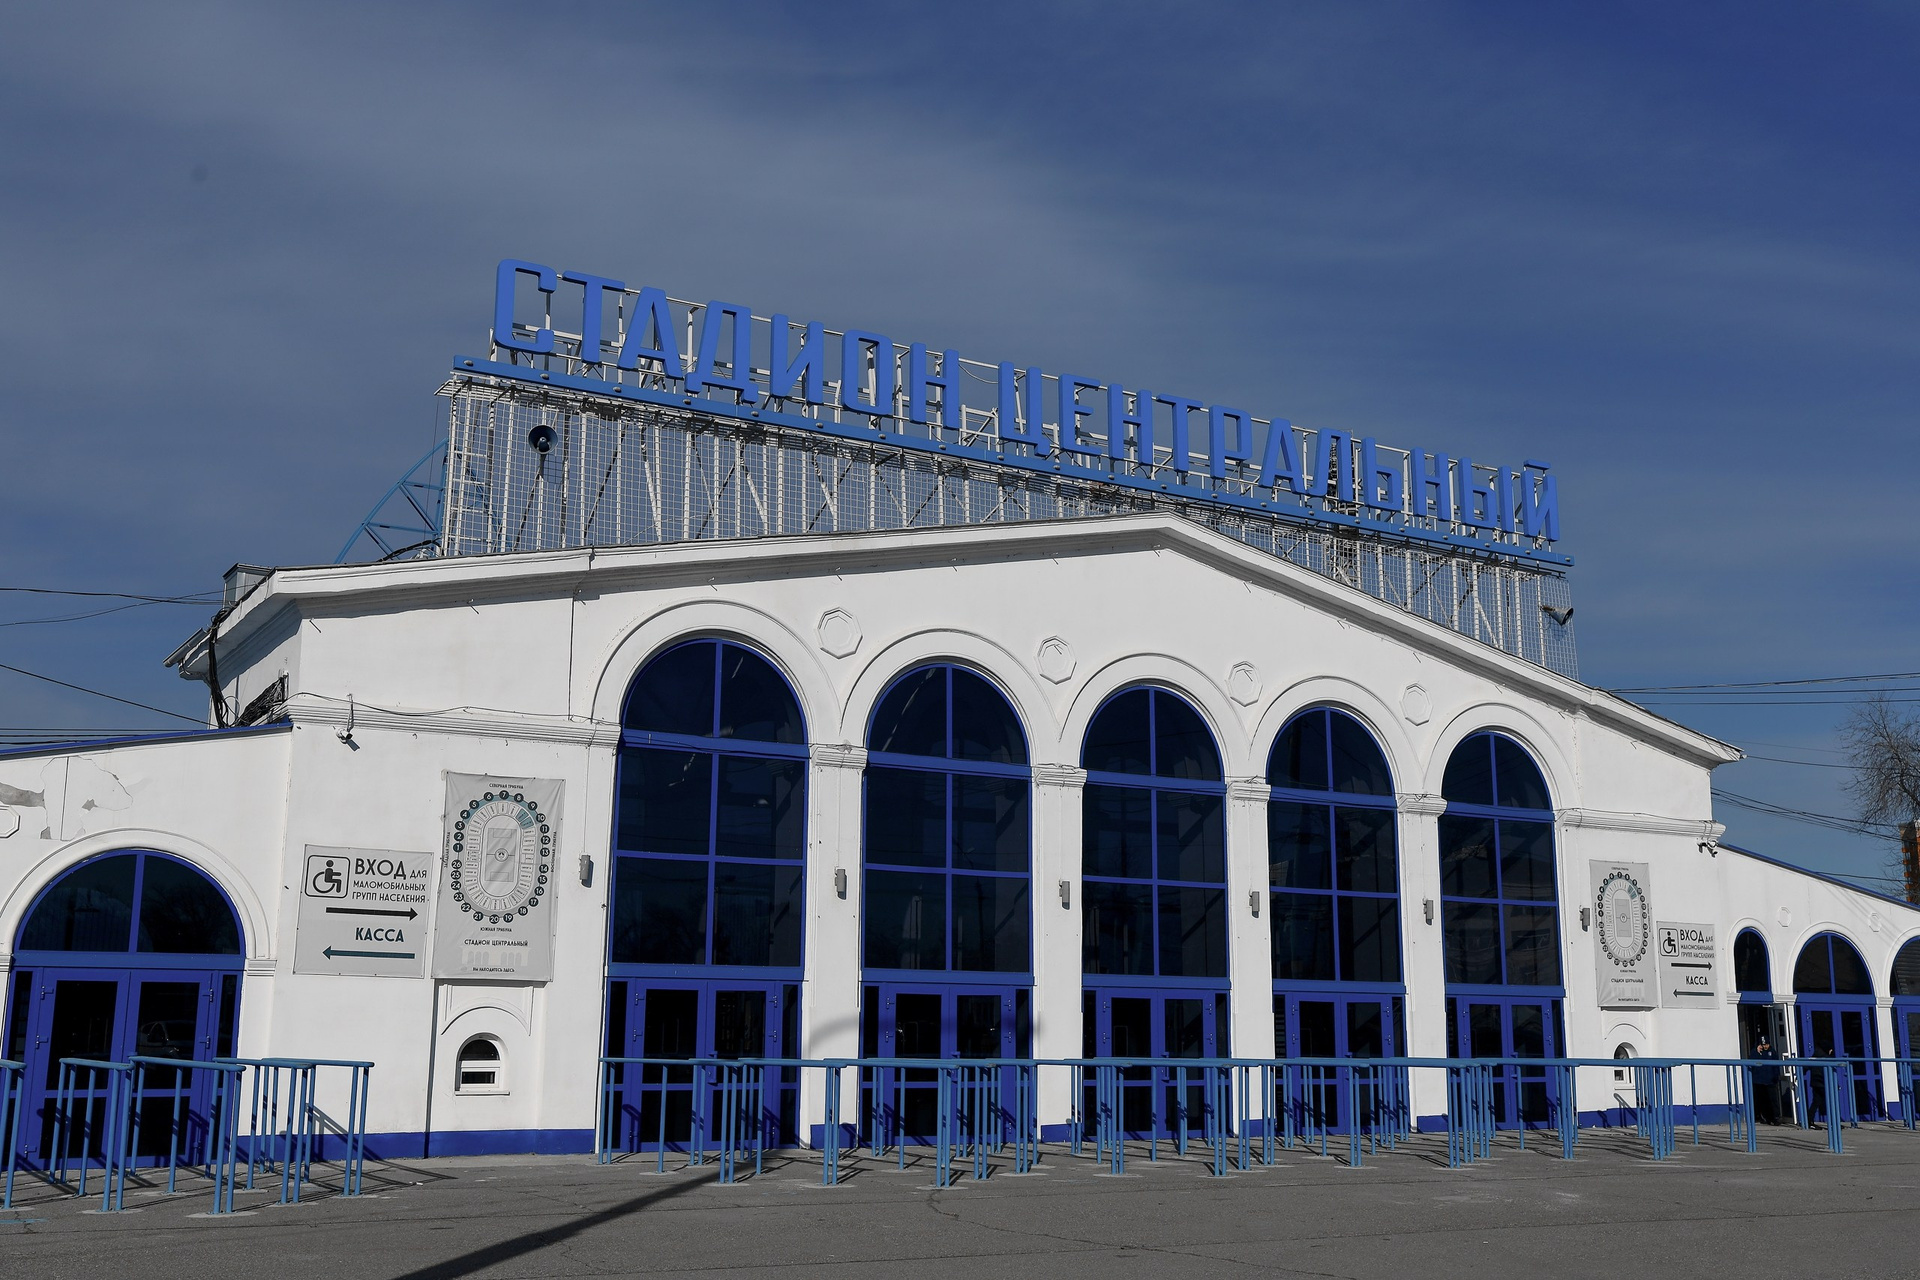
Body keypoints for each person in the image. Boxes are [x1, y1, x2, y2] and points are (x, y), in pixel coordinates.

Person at [1752, 1035, 1782, 1124]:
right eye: (1763, 1044)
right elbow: (1752, 1061)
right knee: (1763, 1100)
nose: (1765, 1046)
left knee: (1773, 1099)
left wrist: (1776, 1076)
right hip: (1760, 1081)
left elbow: (1776, 1066)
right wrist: (1757, 1052)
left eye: (1767, 1044)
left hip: (1770, 1080)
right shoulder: (1757, 1052)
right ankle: (1765, 1117)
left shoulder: (1772, 1052)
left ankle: (1776, 1117)